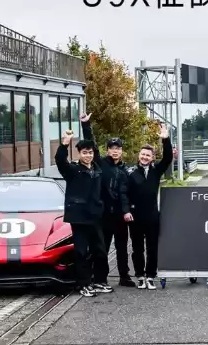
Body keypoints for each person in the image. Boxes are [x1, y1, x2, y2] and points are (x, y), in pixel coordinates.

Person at [81, 116, 134, 288]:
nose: (115, 151)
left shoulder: (126, 169)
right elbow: (92, 145)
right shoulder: (101, 163)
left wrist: (127, 210)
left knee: (122, 248)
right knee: (101, 248)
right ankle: (100, 278)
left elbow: (128, 193)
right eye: (112, 148)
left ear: (122, 151)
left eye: (118, 148)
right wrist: (86, 124)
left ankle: (124, 276)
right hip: (104, 215)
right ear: (108, 150)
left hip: (120, 215)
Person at [55, 124, 107, 298]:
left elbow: (94, 146)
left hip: (95, 216)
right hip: (79, 218)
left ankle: (99, 281)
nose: (88, 155)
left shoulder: (97, 168)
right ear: (79, 154)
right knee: (81, 252)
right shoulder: (72, 170)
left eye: (90, 152)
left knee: (100, 251)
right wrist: (64, 144)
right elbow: (60, 160)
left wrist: (86, 126)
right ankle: (83, 284)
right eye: (85, 152)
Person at [126, 123, 173, 290]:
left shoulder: (156, 171)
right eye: (143, 154)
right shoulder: (130, 172)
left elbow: (168, 158)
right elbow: (124, 193)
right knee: (137, 249)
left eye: (148, 155)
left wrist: (165, 139)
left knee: (152, 248)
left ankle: (151, 276)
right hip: (135, 217)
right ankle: (140, 276)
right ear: (139, 155)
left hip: (152, 216)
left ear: (152, 158)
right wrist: (126, 211)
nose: (145, 157)